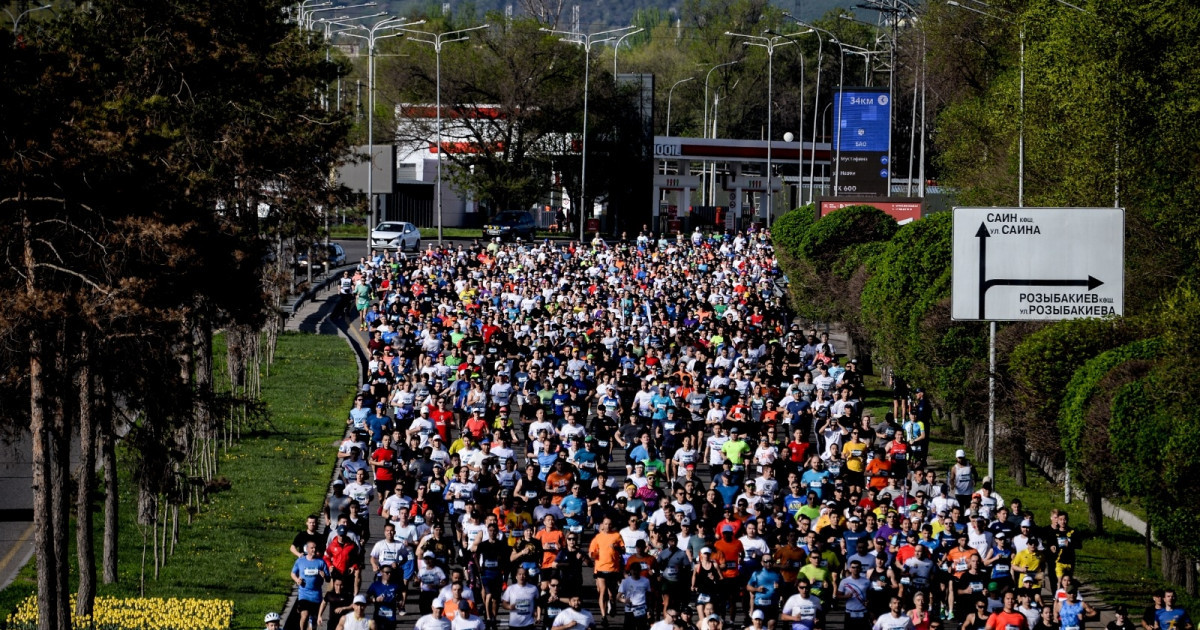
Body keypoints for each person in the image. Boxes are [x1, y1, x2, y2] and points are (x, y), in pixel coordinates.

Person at [590, 516, 626, 622]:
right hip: (601, 568)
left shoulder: (617, 536)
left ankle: (613, 603)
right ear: (602, 525)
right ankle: (603, 616)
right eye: (606, 524)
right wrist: (596, 554)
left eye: (609, 524)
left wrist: (617, 548)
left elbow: (623, 550)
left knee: (612, 594)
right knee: (603, 591)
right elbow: (592, 553)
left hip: (613, 569)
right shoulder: (598, 537)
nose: (608, 526)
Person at [293, 540, 330, 630]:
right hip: (304, 594)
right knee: (304, 615)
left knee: (313, 622)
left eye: (315, 548)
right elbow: (293, 573)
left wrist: (324, 576)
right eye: (312, 548)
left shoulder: (321, 562)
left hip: (316, 595)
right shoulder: (300, 561)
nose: (314, 550)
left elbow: (328, 579)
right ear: (307, 549)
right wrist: (297, 580)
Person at [619, 562, 654, 630]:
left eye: (637, 570)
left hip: (642, 609)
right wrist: (624, 600)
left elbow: (649, 596)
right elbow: (618, 597)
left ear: (640, 571)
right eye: (633, 570)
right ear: (630, 571)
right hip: (629, 610)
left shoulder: (646, 581)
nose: (635, 572)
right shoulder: (625, 581)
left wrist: (649, 609)